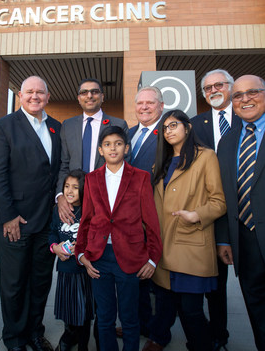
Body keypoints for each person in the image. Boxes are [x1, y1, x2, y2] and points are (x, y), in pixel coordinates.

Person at [216, 75, 265, 350]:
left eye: (252, 92)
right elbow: (225, 194)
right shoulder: (228, 141)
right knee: (264, 323)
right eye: (237, 96)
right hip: (246, 249)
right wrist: (224, 238)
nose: (245, 99)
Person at [0, 76, 61, 351]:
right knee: (14, 284)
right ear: (20, 96)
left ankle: (34, 333)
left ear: (48, 96)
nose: (34, 96)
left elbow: (55, 172)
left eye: (39, 92)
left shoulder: (56, 127)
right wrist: (7, 216)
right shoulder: (4, 127)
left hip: (46, 221)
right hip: (15, 221)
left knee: (40, 282)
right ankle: (15, 339)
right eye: (29, 92)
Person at [75, 126, 162, 351]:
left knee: (130, 316)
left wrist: (152, 259)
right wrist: (81, 253)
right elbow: (85, 220)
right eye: (107, 144)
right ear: (100, 151)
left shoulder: (141, 178)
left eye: (118, 143)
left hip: (130, 256)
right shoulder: (92, 179)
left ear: (126, 148)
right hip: (99, 256)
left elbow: (151, 222)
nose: (113, 147)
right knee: (104, 317)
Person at [150, 109, 226, 351]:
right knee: (169, 305)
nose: (169, 131)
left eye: (174, 125)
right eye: (165, 128)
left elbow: (219, 201)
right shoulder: (160, 163)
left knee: (191, 311)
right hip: (164, 247)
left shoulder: (206, 157)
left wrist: (197, 214)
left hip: (190, 243)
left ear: (188, 127)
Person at [191, 69, 241, 350]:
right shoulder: (196, 124)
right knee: (215, 283)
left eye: (218, 85)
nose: (213, 90)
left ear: (231, 87)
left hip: (248, 211)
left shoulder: (247, 117)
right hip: (210, 213)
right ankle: (218, 334)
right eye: (207, 88)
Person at [56, 78, 129, 224]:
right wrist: (60, 195)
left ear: (102, 96)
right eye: (84, 92)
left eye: (94, 92)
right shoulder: (67, 125)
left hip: (107, 201)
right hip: (74, 203)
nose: (89, 96)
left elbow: (125, 164)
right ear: (79, 98)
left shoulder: (118, 124)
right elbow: (64, 163)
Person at [126, 86, 164, 341]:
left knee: (157, 280)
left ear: (161, 105)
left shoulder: (168, 134)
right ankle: (139, 325)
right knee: (136, 277)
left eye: (150, 103)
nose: (144, 107)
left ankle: (158, 334)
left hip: (156, 216)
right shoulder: (128, 134)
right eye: (140, 103)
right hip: (129, 220)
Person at [49, 170, 94, 351]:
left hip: (83, 273)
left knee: (83, 315)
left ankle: (82, 346)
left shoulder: (89, 211)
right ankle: (68, 337)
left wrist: (83, 247)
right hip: (65, 270)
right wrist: (54, 247)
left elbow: (96, 235)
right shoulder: (57, 211)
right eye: (67, 186)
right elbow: (52, 232)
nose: (70, 191)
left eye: (76, 187)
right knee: (68, 311)